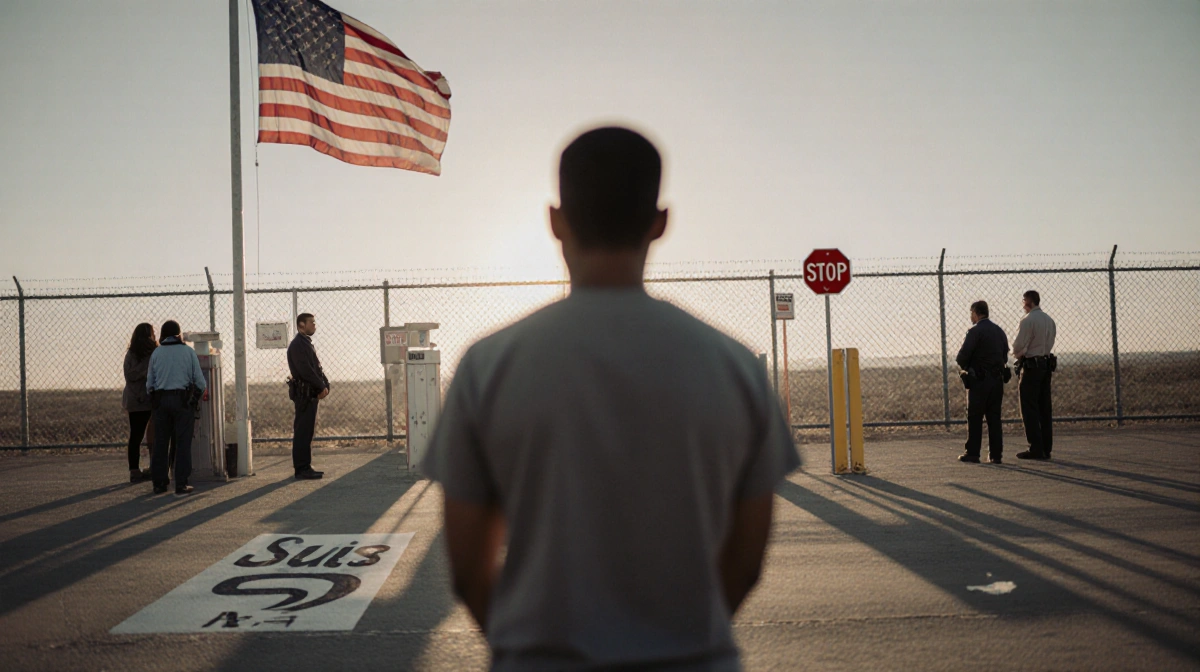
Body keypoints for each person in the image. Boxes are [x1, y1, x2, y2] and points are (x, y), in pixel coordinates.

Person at [422, 126, 800, 671]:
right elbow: (745, 562)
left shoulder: (488, 366)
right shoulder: (735, 366)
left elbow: (466, 567)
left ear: (555, 220)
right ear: (660, 222)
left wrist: (527, 646)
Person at [145, 320, 206, 495]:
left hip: (161, 402)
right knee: (182, 443)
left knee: (161, 443)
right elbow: (200, 383)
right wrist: (193, 400)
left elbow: (149, 384)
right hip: (182, 401)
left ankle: (159, 483)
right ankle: (181, 483)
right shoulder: (188, 352)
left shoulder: (156, 354)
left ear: (163, 335)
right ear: (178, 334)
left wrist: (156, 400)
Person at [954, 301, 1009, 464]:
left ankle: (973, 452)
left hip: (979, 380)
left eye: (971, 313)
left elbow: (962, 357)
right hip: (997, 380)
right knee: (994, 417)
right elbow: (1005, 356)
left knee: (975, 416)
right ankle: (995, 454)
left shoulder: (974, 331)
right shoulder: (999, 331)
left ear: (976, 313)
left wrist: (968, 368)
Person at [1012, 290, 1057, 460]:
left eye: (1023, 302)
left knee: (1029, 407)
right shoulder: (1049, 320)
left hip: (1032, 367)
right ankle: (1046, 447)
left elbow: (1018, 347)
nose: (1023, 305)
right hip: (1046, 365)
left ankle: (1035, 447)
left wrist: (1021, 354)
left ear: (1028, 301)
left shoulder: (1028, 320)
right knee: (1044, 407)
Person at [287, 313, 329, 480]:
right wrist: (321, 385)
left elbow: (316, 367)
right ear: (301, 325)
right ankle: (302, 468)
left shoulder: (305, 343)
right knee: (303, 431)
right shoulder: (298, 345)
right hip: (304, 394)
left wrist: (325, 385)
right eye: (311, 322)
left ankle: (306, 466)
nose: (314, 325)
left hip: (310, 393)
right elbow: (306, 370)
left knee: (307, 430)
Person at [122, 323, 157, 482]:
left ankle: (134, 470)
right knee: (153, 433)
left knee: (135, 436)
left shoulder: (130, 353)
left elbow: (129, 375)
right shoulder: (154, 353)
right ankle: (154, 465)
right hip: (148, 398)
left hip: (132, 398)